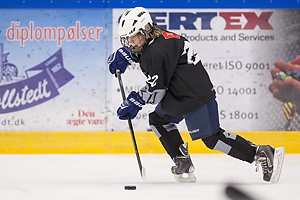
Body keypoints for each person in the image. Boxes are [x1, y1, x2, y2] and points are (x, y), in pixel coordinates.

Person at [107, 7, 285, 183]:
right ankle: (182, 161)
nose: (132, 43)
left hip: (194, 96)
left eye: (135, 37)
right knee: (158, 120)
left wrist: (135, 101)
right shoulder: (159, 37)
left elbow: (156, 92)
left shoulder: (155, 52)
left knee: (212, 138)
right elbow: (158, 60)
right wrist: (130, 55)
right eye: (129, 40)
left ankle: (261, 153)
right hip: (180, 94)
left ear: (146, 29)